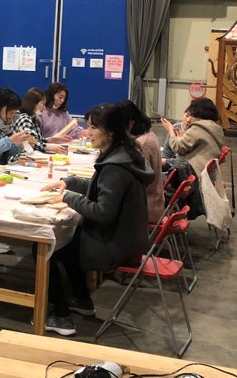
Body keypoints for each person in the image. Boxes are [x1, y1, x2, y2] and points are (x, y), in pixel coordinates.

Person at [40, 103, 153, 336]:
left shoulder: (115, 167)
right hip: (129, 238)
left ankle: (61, 316)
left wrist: (68, 197)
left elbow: (102, 212)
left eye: (93, 128)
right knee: (67, 241)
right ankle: (81, 299)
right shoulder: (123, 155)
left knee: (45, 245)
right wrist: (68, 182)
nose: (87, 132)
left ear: (110, 132)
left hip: (116, 245)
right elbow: (100, 187)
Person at [160, 98, 224, 218]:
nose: (189, 119)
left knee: (155, 165)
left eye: (192, 115)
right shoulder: (215, 128)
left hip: (191, 172)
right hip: (202, 173)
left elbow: (178, 148)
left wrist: (170, 130)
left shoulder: (198, 128)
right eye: (187, 115)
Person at [117, 99, 164, 224]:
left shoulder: (142, 144)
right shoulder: (148, 134)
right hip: (154, 201)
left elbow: (138, 183)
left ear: (131, 122)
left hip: (146, 206)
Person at [11, 88, 68, 155]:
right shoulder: (25, 119)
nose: (44, 107)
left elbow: (37, 140)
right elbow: (31, 143)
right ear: (34, 104)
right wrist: (50, 147)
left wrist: (53, 139)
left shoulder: (33, 119)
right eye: (43, 104)